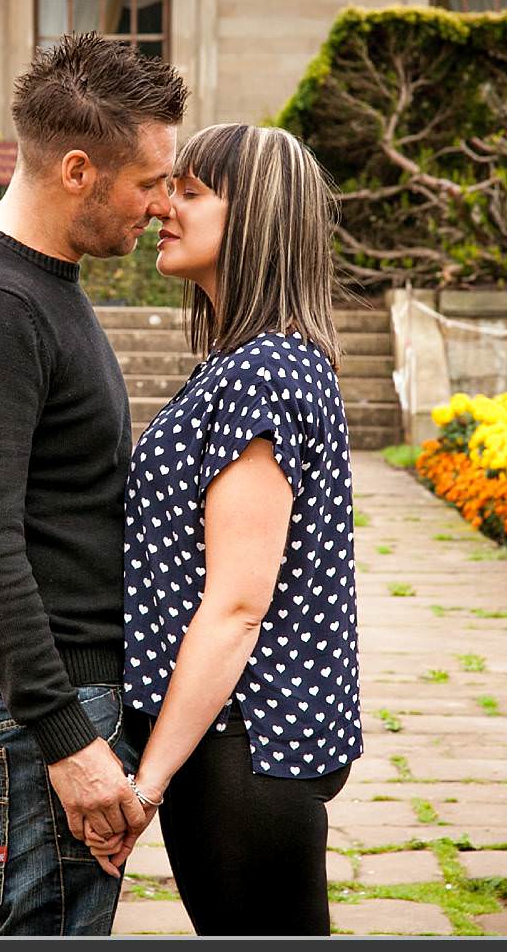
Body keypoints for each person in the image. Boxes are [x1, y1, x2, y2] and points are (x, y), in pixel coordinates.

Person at [0, 32, 190, 935]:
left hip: (56, 703)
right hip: (36, 719)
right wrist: (69, 743)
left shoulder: (38, 285)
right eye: (149, 181)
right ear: (75, 170)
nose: (161, 204)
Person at [105, 122, 361, 937]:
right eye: (166, 191)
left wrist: (146, 786)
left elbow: (237, 606)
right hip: (242, 744)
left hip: (243, 745)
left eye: (190, 193)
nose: (162, 210)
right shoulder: (250, 360)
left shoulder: (263, 371)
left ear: (254, 218)